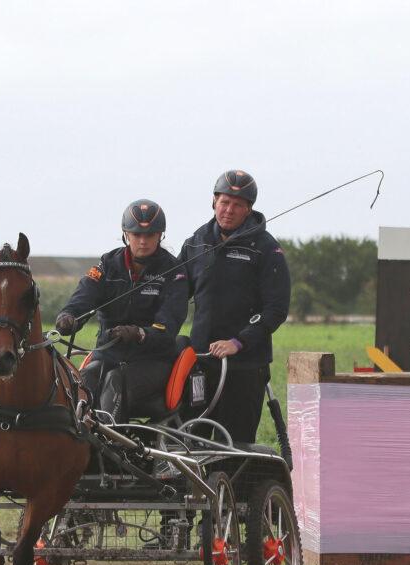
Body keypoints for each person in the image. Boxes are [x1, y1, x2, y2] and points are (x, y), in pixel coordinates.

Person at [179, 170, 290, 445]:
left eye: (238, 205)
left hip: (245, 366)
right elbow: (174, 295)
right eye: (224, 202)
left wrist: (238, 342)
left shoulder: (267, 248)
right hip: (200, 363)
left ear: (249, 209)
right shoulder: (195, 243)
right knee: (189, 443)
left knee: (233, 447)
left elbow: (276, 309)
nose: (229, 210)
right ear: (214, 201)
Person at [55, 199, 188, 423]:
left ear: (160, 235)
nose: (143, 241)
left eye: (150, 235)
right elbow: (83, 296)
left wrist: (139, 333)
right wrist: (68, 316)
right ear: (126, 234)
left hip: (153, 361)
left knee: (115, 381)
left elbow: (169, 325)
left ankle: (110, 439)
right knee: (84, 380)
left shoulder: (175, 272)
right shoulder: (107, 264)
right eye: (137, 235)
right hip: (107, 354)